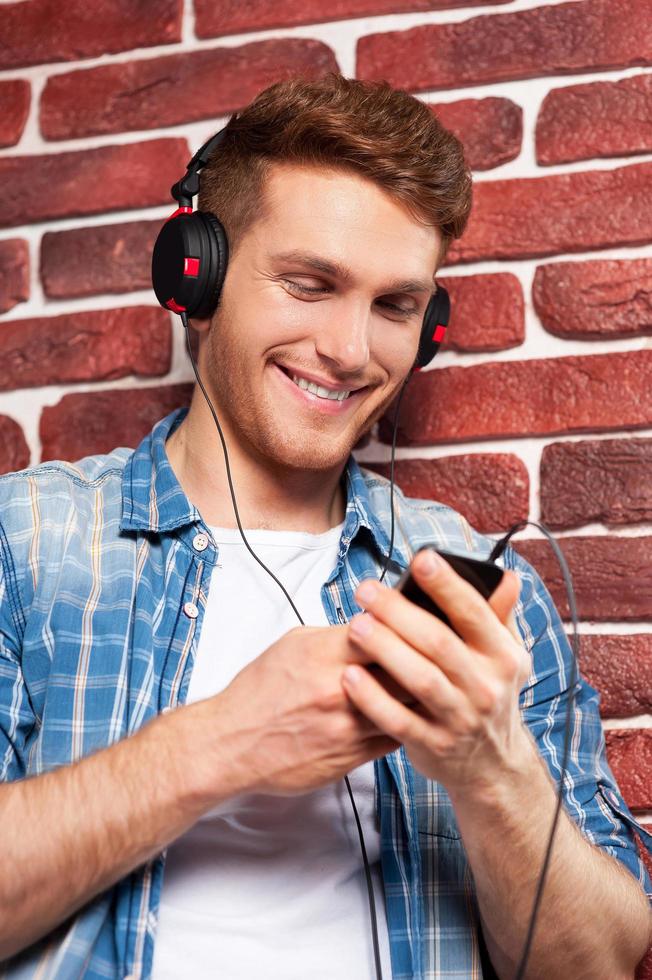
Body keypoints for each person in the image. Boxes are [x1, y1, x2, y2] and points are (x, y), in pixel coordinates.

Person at [0, 75, 650, 980]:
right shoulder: (22, 543)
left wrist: (488, 764)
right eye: (310, 284)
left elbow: (603, 965)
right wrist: (223, 742)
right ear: (198, 276)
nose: (351, 350)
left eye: (394, 307)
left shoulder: (482, 599)